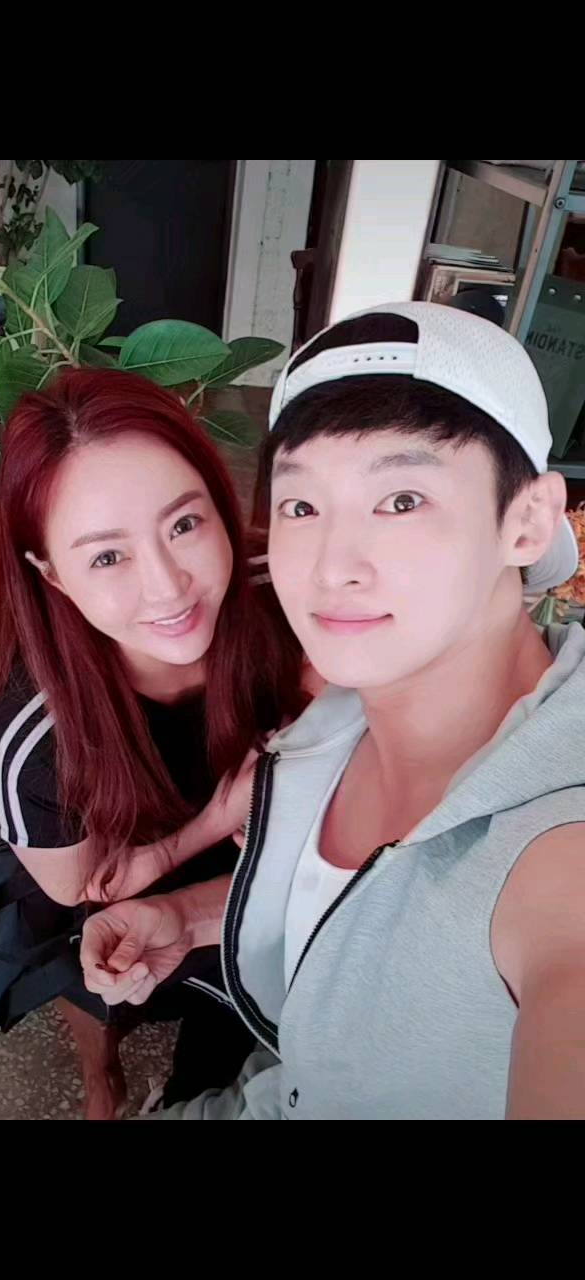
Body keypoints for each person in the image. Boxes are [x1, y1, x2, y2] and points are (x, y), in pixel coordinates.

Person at [81, 302, 585, 1120]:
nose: (330, 567)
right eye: (302, 506)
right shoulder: (341, 714)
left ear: (526, 521)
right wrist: (184, 914)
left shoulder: (560, 853)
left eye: (402, 499)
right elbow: (375, 905)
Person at [0, 367, 309, 1119]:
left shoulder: (286, 598)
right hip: (97, 861)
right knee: (89, 953)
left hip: (243, 845)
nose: (168, 587)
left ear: (220, 507)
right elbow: (82, 888)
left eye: (184, 525)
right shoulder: (39, 735)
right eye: (106, 556)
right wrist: (213, 823)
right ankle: (104, 1077)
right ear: (53, 574)